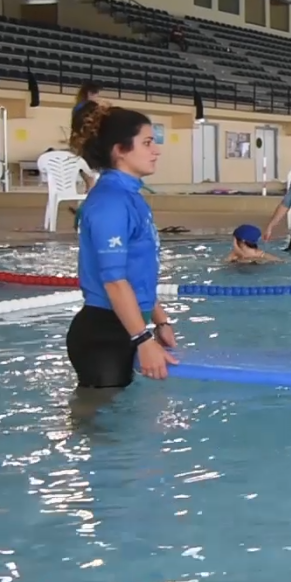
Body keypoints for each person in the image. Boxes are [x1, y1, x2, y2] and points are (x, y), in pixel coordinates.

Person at [67, 106, 179, 388]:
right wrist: (142, 338)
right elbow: (115, 281)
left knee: (114, 422)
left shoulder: (129, 196)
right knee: (100, 425)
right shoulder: (111, 202)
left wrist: (160, 321)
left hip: (127, 326)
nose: (157, 150)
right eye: (147, 142)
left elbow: (136, 271)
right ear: (120, 150)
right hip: (103, 334)